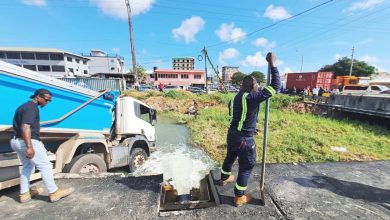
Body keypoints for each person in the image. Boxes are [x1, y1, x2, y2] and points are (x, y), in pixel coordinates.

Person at [218, 52, 281, 207]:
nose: (258, 87)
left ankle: (224, 178)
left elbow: (238, 117)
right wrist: (273, 64)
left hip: (232, 134)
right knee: (246, 166)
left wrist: (251, 128)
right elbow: (275, 86)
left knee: (230, 157)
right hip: (244, 140)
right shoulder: (253, 97)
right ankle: (239, 197)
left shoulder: (234, 98)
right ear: (252, 86)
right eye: (257, 85)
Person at [10, 89, 74, 203]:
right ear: (38, 97)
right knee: (45, 165)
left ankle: (24, 194)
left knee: (28, 166)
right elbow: (25, 127)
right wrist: (30, 146)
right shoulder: (32, 108)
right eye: (46, 100)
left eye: (49, 101)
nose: (47, 103)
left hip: (15, 141)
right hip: (26, 141)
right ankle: (54, 192)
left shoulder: (23, 107)